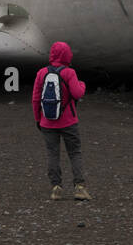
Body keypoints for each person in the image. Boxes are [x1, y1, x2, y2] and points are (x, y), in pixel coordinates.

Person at [32, 41, 90, 200]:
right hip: (68, 121)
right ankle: (79, 187)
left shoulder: (41, 73)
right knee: (75, 153)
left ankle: (56, 187)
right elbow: (77, 94)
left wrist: (38, 119)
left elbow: (36, 99)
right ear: (66, 55)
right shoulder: (69, 73)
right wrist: (82, 84)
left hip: (47, 122)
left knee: (52, 153)